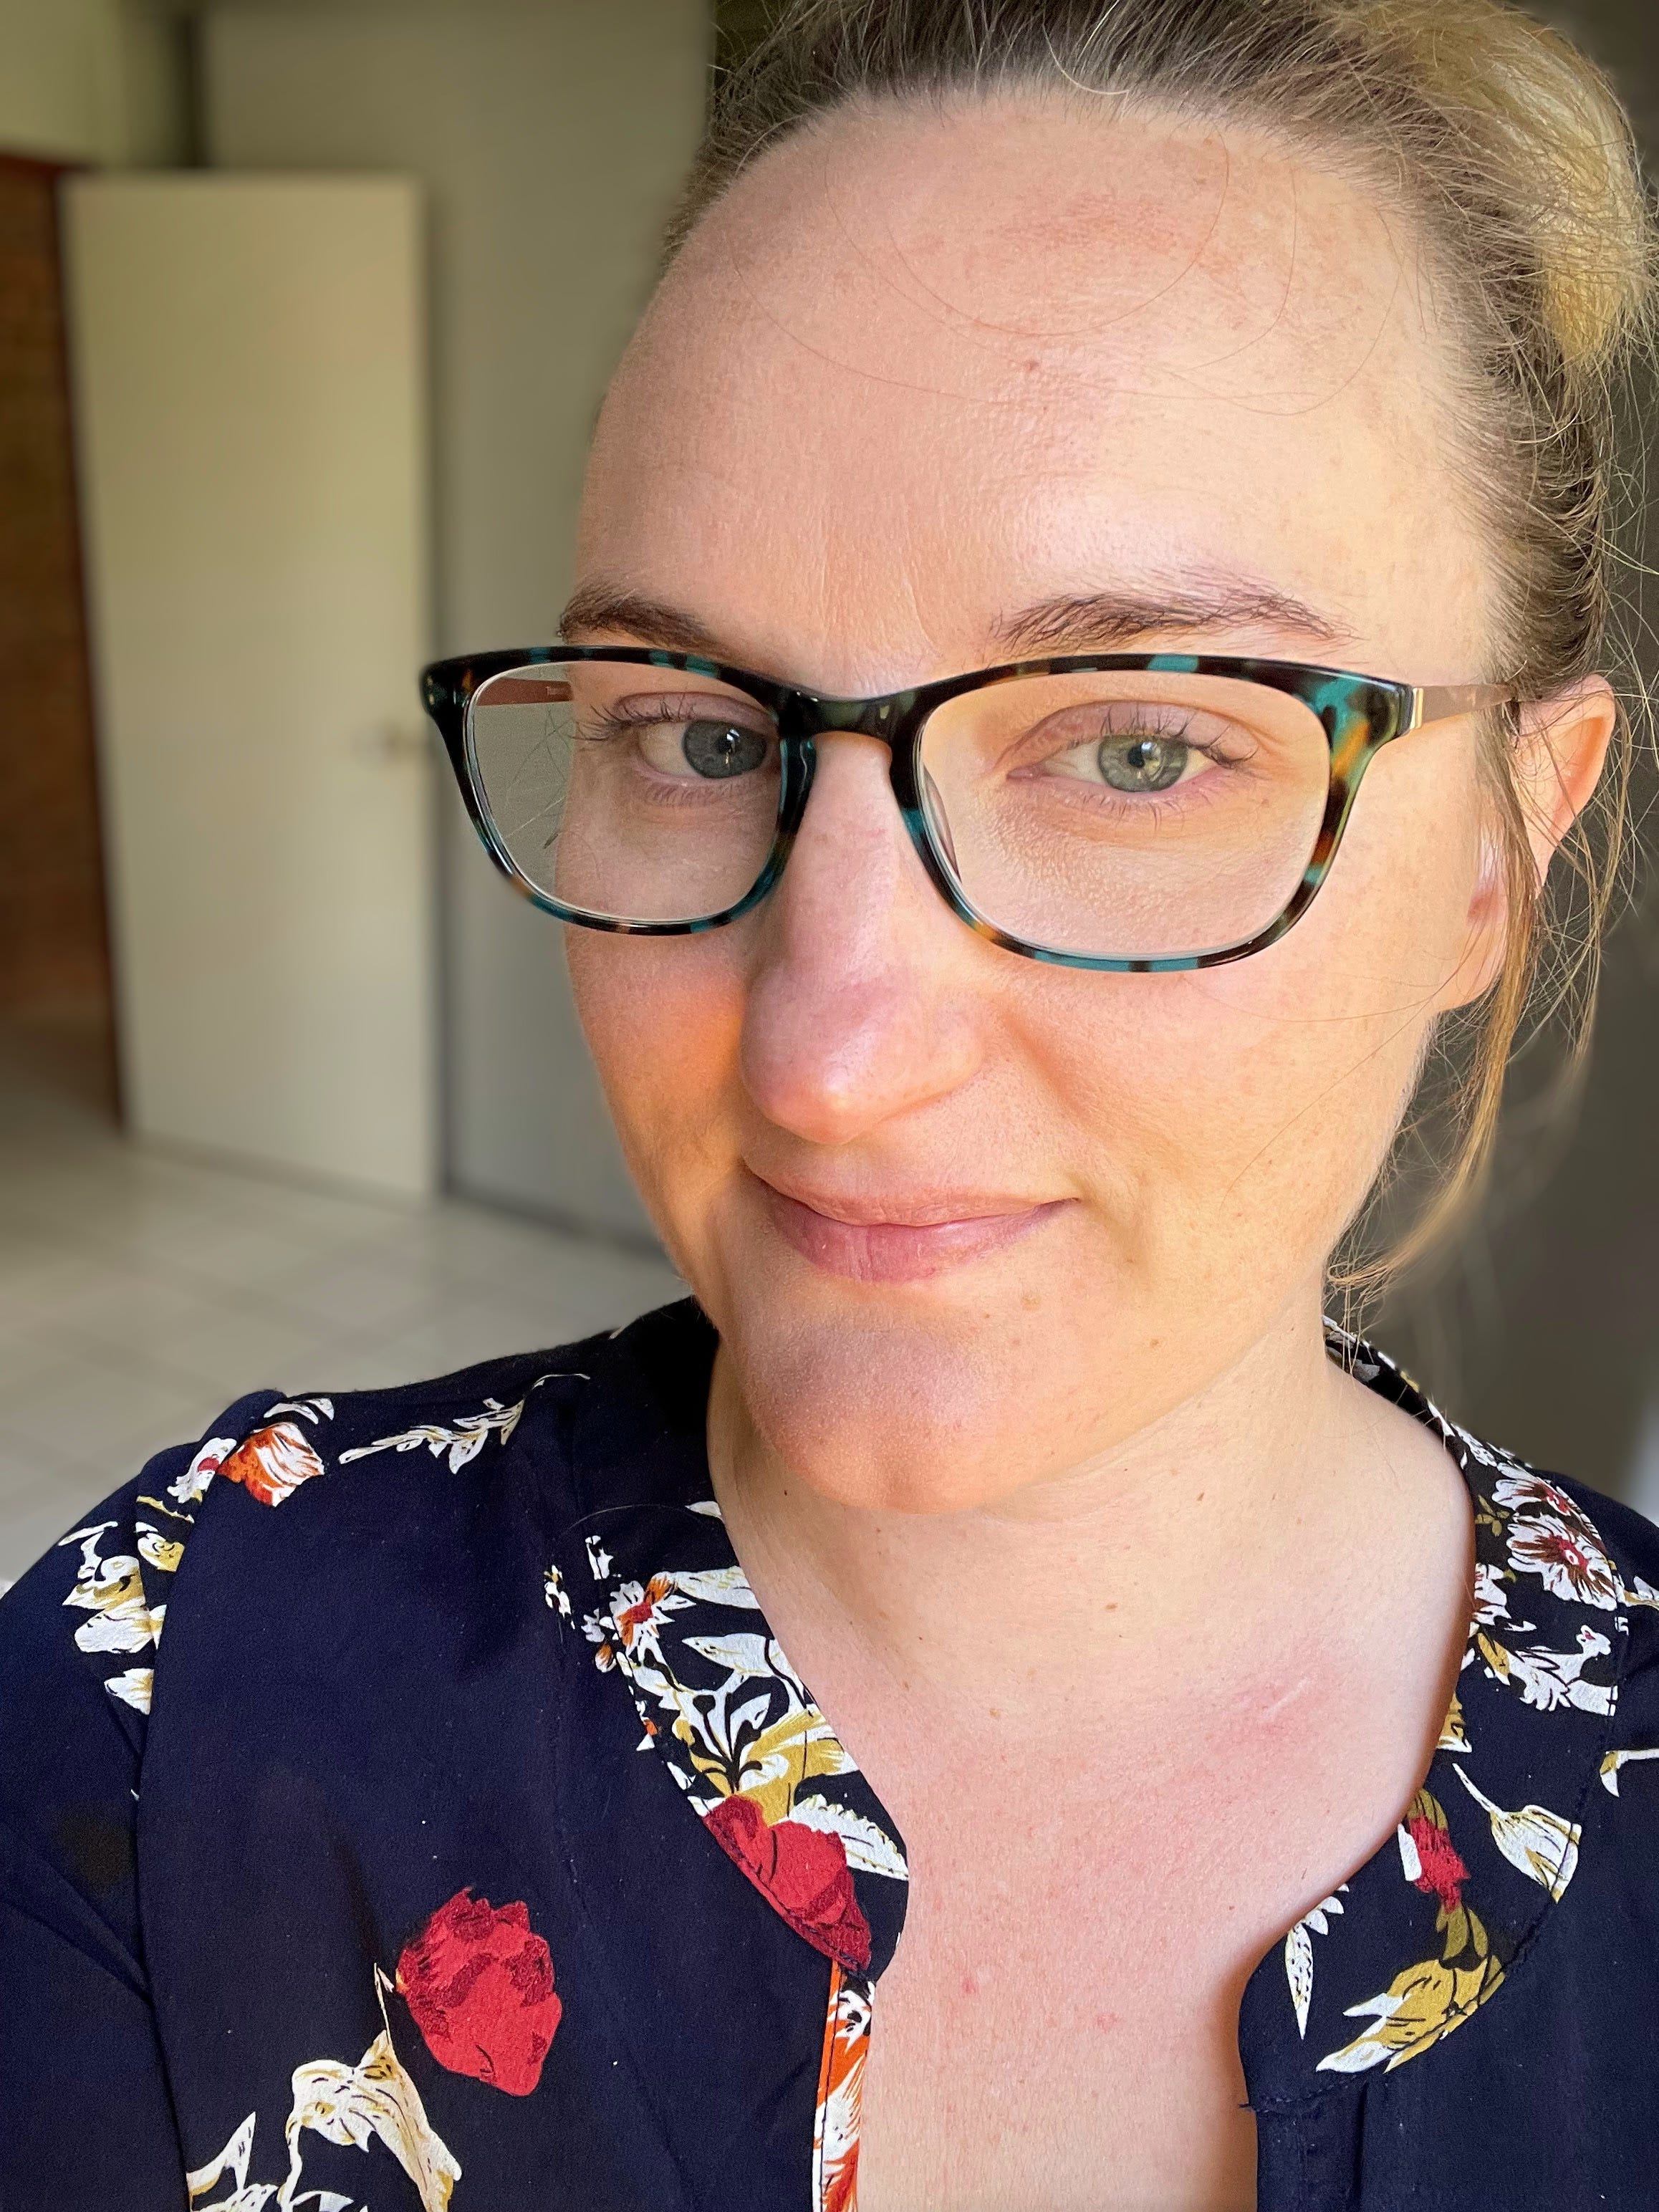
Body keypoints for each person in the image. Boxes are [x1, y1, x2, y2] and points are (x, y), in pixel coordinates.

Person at [4, 1, 1657, 2206]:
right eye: (697, 733)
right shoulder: (176, 1688)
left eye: (1140, 746)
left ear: (1501, 846)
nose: (825, 1059)